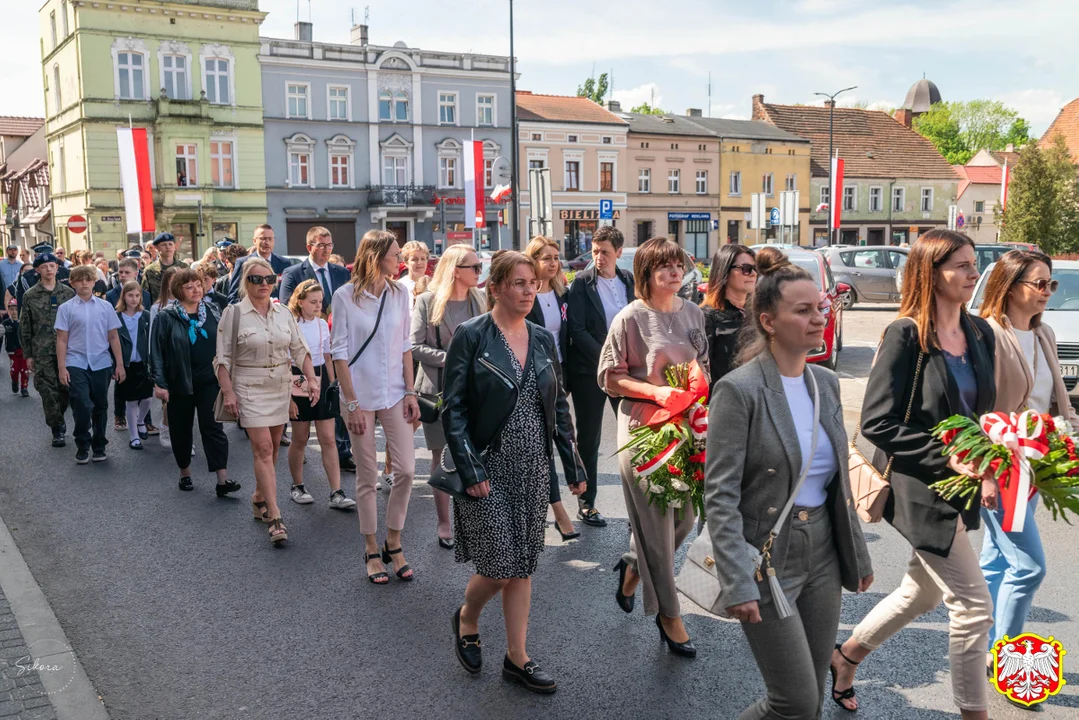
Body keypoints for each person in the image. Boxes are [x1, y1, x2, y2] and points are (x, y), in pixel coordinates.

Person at [705, 247, 873, 717]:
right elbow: (719, 495)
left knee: (811, 699)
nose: (819, 318)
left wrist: (855, 554)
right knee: (794, 700)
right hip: (765, 557)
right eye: (803, 310)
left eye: (820, 307)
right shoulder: (739, 391)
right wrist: (736, 578)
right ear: (769, 322)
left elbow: (838, 483)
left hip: (821, 549)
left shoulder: (826, 383)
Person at [835, 230, 996, 719]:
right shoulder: (906, 334)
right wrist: (948, 457)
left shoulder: (980, 332)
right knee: (973, 608)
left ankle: (846, 657)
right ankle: (974, 713)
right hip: (920, 486)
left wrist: (994, 458)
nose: (973, 274)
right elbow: (877, 421)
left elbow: (980, 412)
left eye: (974, 264)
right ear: (932, 272)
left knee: (919, 592)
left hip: (963, 483)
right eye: (963, 266)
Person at [443, 251, 587, 692]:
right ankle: (467, 617)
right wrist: (469, 467)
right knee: (500, 567)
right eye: (520, 283)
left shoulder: (543, 338)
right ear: (497, 287)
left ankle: (517, 657)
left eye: (533, 283)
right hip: (487, 465)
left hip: (532, 467)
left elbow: (558, 405)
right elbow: (454, 410)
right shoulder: (471, 335)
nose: (529, 291)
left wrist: (573, 464)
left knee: (523, 565)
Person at [597, 236, 709, 657]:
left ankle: (632, 565)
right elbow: (610, 376)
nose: (674, 272)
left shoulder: (695, 313)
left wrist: (697, 390)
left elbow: (705, 365)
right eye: (663, 266)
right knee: (658, 525)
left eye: (678, 264)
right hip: (644, 425)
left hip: (688, 424)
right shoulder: (630, 318)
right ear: (646, 274)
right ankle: (669, 614)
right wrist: (656, 392)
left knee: (684, 519)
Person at [978, 250, 1078, 678]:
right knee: (1029, 566)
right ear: (1010, 285)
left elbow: (1053, 398)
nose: (1046, 292)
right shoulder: (985, 333)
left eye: (1050, 284)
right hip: (1000, 465)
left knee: (998, 561)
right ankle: (1008, 660)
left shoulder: (1045, 334)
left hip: (1038, 460)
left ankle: (978, 643)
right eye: (1039, 283)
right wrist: (984, 470)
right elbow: (974, 407)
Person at [330, 231, 420, 581]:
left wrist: (411, 392)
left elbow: (405, 346)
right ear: (376, 256)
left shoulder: (401, 294)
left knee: (408, 471)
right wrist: (350, 403)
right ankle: (371, 547)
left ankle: (393, 540)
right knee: (367, 475)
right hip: (360, 397)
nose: (400, 260)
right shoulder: (344, 297)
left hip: (396, 392)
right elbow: (339, 352)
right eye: (396, 255)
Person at [216, 258, 316, 543]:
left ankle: (260, 496)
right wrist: (228, 392)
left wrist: (311, 378)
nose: (263, 284)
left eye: (269, 279)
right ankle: (275, 515)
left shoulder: (283, 312)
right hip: (248, 386)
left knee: (271, 449)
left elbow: (299, 348)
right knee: (261, 448)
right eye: (256, 279)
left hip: (280, 386)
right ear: (246, 282)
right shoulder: (233, 313)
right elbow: (222, 359)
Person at [411, 244, 485, 549]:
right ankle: (444, 523)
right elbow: (415, 346)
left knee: (473, 454)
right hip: (438, 391)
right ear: (456, 271)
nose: (480, 273)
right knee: (441, 456)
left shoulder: (478, 300)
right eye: (475, 267)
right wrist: (452, 358)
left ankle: (473, 519)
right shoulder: (428, 301)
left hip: (473, 391)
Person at [565, 225, 635, 528]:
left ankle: (638, 505)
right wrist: (609, 359)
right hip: (590, 372)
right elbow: (576, 330)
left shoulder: (627, 280)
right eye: (595, 251)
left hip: (624, 373)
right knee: (589, 437)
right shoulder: (582, 283)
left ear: (618, 253)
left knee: (632, 436)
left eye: (604, 252)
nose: (599, 258)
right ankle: (587, 503)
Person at [151, 269, 240, 496]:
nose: (196, 290)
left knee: (213, 428)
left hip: (209, 380)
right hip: (179, 381)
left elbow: (224, 344)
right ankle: (185, 473)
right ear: (178, 290)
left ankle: (222, 480)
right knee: (181, 430)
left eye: (198, 285)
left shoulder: (212, 310)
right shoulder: (166, 316)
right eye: (189, 286)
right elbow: (156, 352)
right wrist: (159, 383)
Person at [278, 226, 354, 471]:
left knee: (335, 400)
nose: (326, 249)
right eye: (321, 245)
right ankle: (298, 473)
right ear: (309, 247)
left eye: (329, 245)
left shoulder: (342, 273)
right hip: (301, 354)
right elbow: (286, 309)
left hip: (335, 343)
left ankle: (343, 451)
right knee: (302, 427)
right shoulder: (292, 272)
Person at [524, 235, 580, 540]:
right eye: (546, 257)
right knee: (545, 443)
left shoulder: (561, 294)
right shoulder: (526, 295)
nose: (553, 263)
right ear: (533, 261)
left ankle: (571, 489)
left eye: (555, 257)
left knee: (562, 434)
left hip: (558, 374)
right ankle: (559, 511)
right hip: (533, 377)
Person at [285, 279, 356, 511]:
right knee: (300, 438)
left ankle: (336, 492)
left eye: (320, 301)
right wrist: (290, 398)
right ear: (300, 301)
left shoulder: (322, 324)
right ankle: (297, 485)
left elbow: (327, 357)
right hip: (297, 379)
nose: (318, 306)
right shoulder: (291, 324)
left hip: (321, 380)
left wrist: (333, 386)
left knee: (328, 438)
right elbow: (286, 361)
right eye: (313, 302)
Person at [54, 265, 125, 464]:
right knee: (82, 403)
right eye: (79, 280)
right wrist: (62, 367)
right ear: (72, 283)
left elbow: (113, 337)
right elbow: (61, 339)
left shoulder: (105, 307)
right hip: (75, 362)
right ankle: (82, 443)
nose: (84, 283)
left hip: (101, 362)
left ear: (95, 282)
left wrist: (119, 364)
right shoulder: (66, 308)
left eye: (88, 279)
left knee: (100, 405)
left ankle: (99, 444)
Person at [20, 252, 76, 446]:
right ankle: (57, 429)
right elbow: (25, 326)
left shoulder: (68, 293)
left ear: (57, 268)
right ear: (37, 270)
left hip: (67, 351)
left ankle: (59, 416)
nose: (49, 269)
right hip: (41, 351)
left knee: (64, 390)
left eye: (52, 266)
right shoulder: (30, 296)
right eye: (44, 267)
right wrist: (28, 355)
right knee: (47, 391)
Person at [700, 244, 756, 388]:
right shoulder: (707, 317)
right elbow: (701, 370)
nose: (753, 274)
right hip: (725, 400)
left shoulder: (759, 314)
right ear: (724, 272)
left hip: (757, 400)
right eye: (746, 269)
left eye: (756, 269)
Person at [114, 281, 153, 449]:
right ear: (124, 296)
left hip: (143, 363)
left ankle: (140, 420)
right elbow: (112, 341)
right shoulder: (117, 316)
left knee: (147, 398)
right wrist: (116, 364)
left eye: (137, 295)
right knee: (131, 401)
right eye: (130, 295)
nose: (134, 299)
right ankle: (134, 436)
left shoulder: (145, 315)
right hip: (126, 364)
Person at [227, 224, 291, 303]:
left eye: (270, 239)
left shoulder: (284, 263)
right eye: (263, 239)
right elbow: (233, 296)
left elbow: (289, 295)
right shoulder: (243, 263)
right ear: (254, 241)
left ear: (274, 241)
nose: (267, 242)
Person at [141, 232, 189, 300]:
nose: (168, 247)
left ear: (175, 247)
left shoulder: (184, 267)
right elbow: (145, 294)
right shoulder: (150, 270)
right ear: (157, 248)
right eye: (163, 245)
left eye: (170, 244)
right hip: (157, 308)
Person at [3, 298, 29, 396]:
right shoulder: (6, 323)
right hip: (12, 351)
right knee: (15, 369)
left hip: (23, 350)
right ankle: (14, 381)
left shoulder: (24, 323)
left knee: (24, 369)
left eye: (16, 309)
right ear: (8, 310)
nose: (14, 312)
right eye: (11, 309)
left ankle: (24, 387)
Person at [398, 241, 430, 311]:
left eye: (423, 259)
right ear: (406, 262)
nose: (419, 262)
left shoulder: (434, 285)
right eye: (414, 259)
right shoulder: (399, 287)